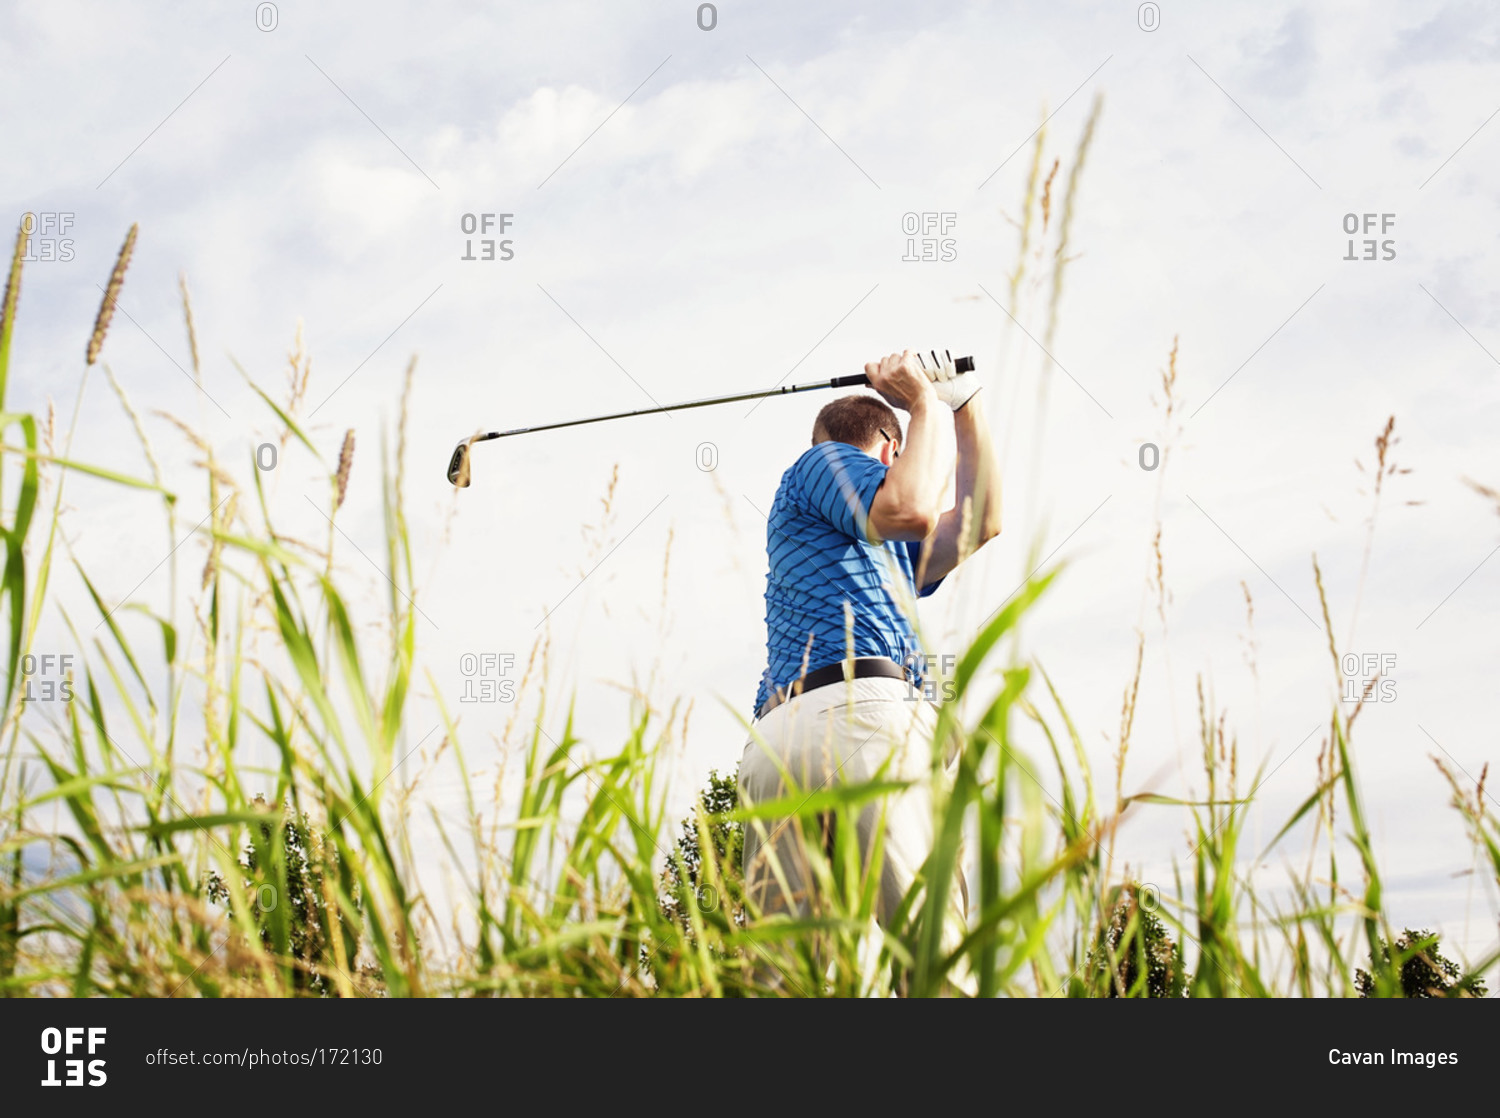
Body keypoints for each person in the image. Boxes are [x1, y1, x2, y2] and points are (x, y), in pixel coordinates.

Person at [738, 348, 1003, 990]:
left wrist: (965, 408)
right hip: (857, 719)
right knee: (934, 964)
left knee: (783, 979)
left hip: (782, 743)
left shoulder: (875, 554)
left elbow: (979, 524)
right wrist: (923, 405)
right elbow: (910, 507)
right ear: (886, 448)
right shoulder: (824, 460)